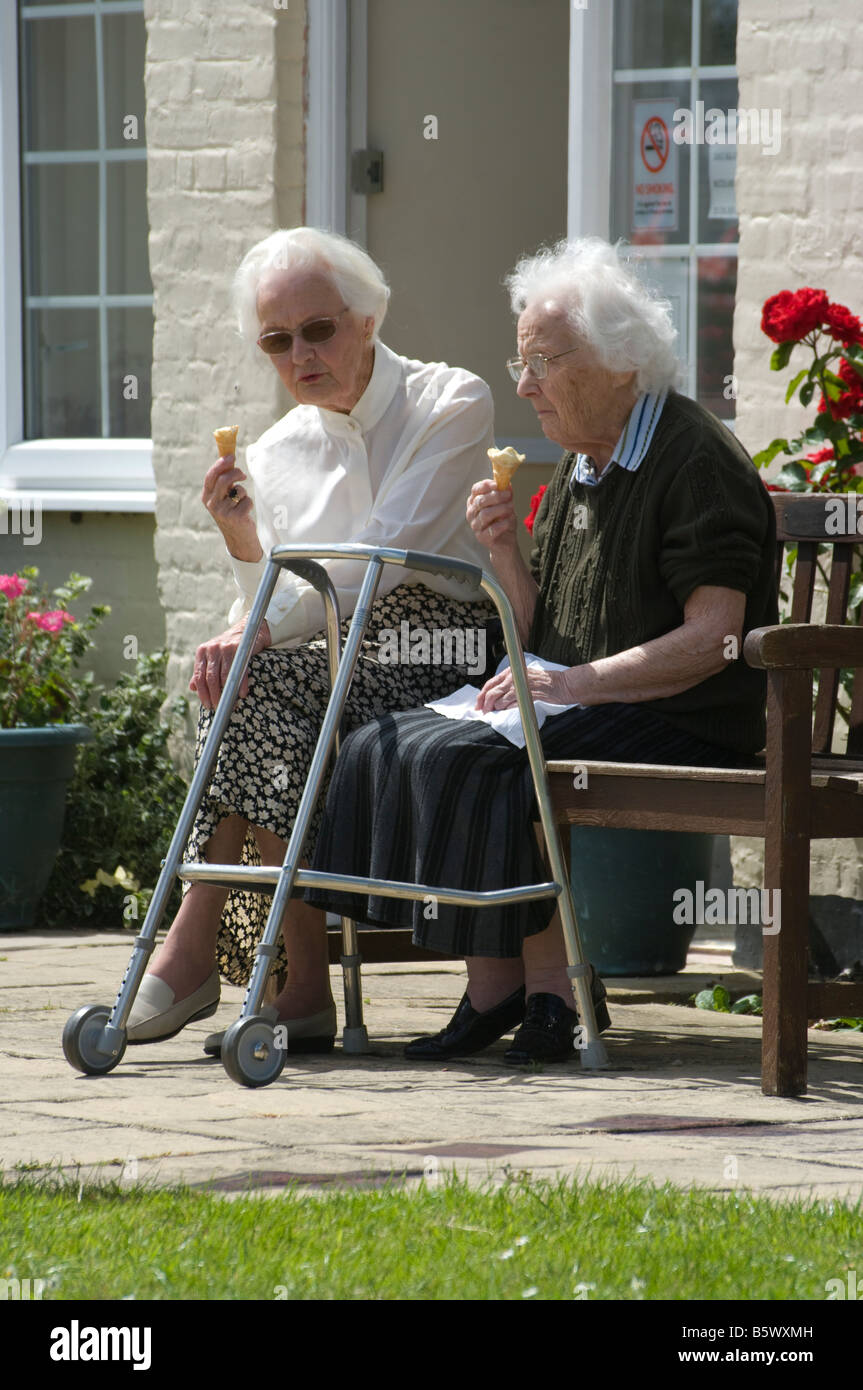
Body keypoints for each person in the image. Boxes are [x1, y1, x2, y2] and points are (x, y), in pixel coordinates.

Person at [305, 236, 779, 1064]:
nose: (524, 386)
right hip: (592, 697)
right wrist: (504, 559)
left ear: (620, 363)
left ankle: (544, 995)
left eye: (543, 364)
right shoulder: (580, 467)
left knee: (481, 763)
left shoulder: (693, 460)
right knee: (395, 738)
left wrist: (575, 686)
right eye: (518, 363)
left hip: (683, 713)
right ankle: (501, 990)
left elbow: (714, 641)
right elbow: (535, 631)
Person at [127, 227, 496, 1048]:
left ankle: (207, 953)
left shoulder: (451, 401)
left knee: (265, 683)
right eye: (276, 340)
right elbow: (275, 600)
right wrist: (242, 548)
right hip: (316, 656)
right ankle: (283, 981)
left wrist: (255, 630)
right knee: (249, 689)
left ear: (368, 317)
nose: (299, 355)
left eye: (318, 330)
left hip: (439, 647)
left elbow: (377, 565)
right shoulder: (273, 451)